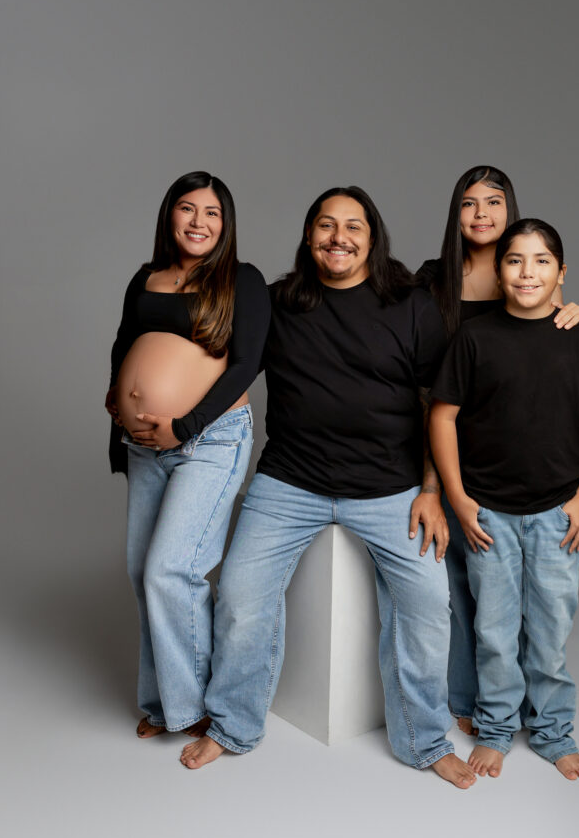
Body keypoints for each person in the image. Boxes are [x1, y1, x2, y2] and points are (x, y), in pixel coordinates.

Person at [180, 185, 477, 788]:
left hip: (392, 489)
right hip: (290, 481)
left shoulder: (410, 304)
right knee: (239, 596)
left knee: (426, 603)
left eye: (353, 227)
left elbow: (436, 402)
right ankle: (233, 725)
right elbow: (220, 358)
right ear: (308, 234)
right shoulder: (279, 301)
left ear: (373, 237)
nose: (337, 237)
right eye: (325, 224)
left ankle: (424, 740)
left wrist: (430, 489)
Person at [429, 219, 579, 780]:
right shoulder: (475, 338)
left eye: (541, 262)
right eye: (514, 260)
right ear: (498, 270)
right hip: (487, 512)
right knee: (493, 631)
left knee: (549, 630)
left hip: (557, 513)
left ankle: (553, 731)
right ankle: (494, 729)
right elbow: (442, 416)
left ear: (561, 273)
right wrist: (459, 498)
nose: (527, 272)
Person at [416, 165, 579, 735]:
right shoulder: (434, 279)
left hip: (526, 464)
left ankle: (536, 718)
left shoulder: (526, 270)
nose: (482, 214)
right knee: (470, 598)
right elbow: (429, 395)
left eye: (494, 202)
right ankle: (478, 708)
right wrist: (436, 485)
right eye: (469, 203)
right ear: (455, 213)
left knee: (535, 605)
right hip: (454, 460)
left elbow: (557, 338)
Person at [106, 171, 270, 739]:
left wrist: (186, 424)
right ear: (169, 216)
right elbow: (124, 345)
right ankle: (162, 704)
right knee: (140, 572)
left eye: (212, 213)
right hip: (146, 447)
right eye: (187, 209)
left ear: (226, 225)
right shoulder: (145, 278)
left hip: (210, 440)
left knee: (170, 570)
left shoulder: (241, 281)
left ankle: (197, 706)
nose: (198, 222)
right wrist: (121, 414)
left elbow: (248, 364)